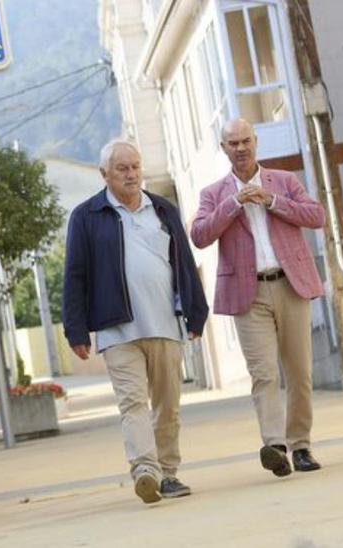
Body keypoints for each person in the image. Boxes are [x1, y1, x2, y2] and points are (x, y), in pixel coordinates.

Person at [62, 139, 208, 504]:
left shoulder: (162, 209)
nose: (131, 174)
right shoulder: (86, 216)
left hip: (165, 324)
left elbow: (185, 263)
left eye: (135, 167)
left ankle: (169, 472)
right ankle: (146, 470)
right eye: (122, 168)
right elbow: (75, 275)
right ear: (104, 174)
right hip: (117, 328)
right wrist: (76, 329)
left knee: (167, 405)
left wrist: (197, 310)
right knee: (132, 404)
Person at [189, 119, 327, 478]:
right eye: (232, 143)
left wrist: (272, 201)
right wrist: (233, 203)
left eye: (245, 141)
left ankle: (301, 445)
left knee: (299, 372)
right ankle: (275, 446)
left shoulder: (284, 181)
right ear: (223, 149)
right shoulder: (213, 193)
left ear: (256, 142)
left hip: (290, 285)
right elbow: (200, 235)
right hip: (247, 294)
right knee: (264, 373)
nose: (240, 148)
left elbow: (316, 216)